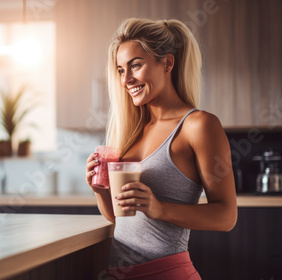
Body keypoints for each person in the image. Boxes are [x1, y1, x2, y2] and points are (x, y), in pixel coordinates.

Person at [85, 18, 237, 280]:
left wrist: (159, 208)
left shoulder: (198, 125)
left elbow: (226, 216)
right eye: (121, 70)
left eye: (135, 65)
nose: (126, 79)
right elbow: (121, 219)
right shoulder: (133, 131)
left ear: (167, 63)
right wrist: (100, 191)